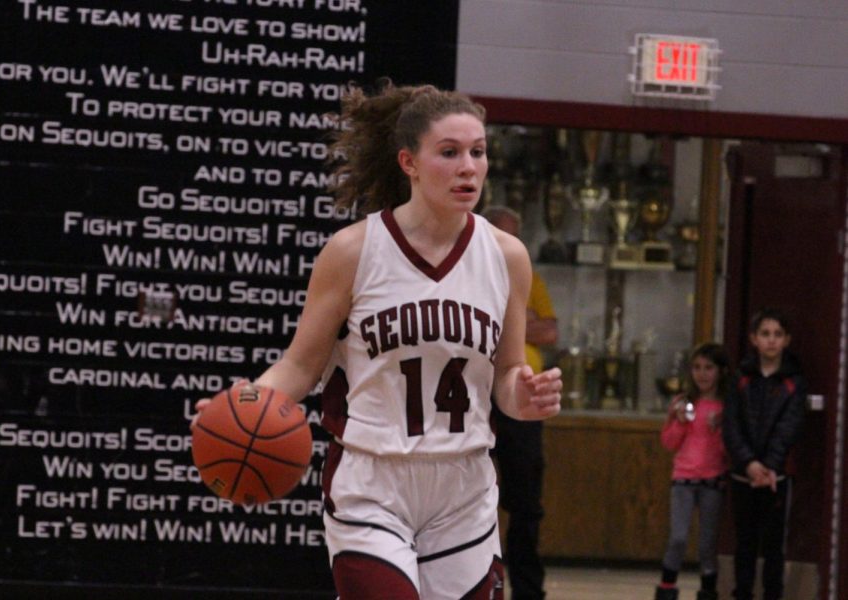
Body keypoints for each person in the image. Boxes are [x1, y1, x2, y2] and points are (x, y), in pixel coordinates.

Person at [193, 81, 563, 599]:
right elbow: (301, 366)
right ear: (409, 163)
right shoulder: (353, 251)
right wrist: (247, 403)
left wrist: (520, 397)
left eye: (478, 152)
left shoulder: (506, 256)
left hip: (464, 486)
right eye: (450, 152)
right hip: (372, 481)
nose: (469, 167)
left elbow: (504, 374)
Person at [482, 205, 558, 600]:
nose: (512, 245)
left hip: (524, 399)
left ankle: (528, 591)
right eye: (504, 236)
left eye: (516, 237)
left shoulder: (530, 276)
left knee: (526, 502)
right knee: (473, 495)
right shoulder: (468, 275)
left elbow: (550, 331)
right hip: (476, 397)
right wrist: (521, 320)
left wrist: (510, 320)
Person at [723, 308, 806, 600]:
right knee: (744, 542)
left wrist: (769, 466)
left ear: (786, 340)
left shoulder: (794, 382)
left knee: (774, 546)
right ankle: (741, 593)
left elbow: (789, 427)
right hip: (744, 474)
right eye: (765, 334)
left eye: (777, 335)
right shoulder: (740, 378)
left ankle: (773, 595)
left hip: (776, 477)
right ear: (754, 339)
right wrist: (749, 464)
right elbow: (731, 424)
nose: (771, 341)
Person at [654, 343, 731, 600]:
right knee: (677, 537)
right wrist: (679, 421)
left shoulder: (725, 407)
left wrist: (718, 429)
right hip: (683, 480)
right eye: (697, 367)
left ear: (720, 371)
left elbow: (728, 450)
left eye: (709, 368)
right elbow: (669, 442)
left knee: (708, 542)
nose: (703, 374)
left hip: (712, 480)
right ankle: (667, 587)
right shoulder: (682, 403)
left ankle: (708, 589)